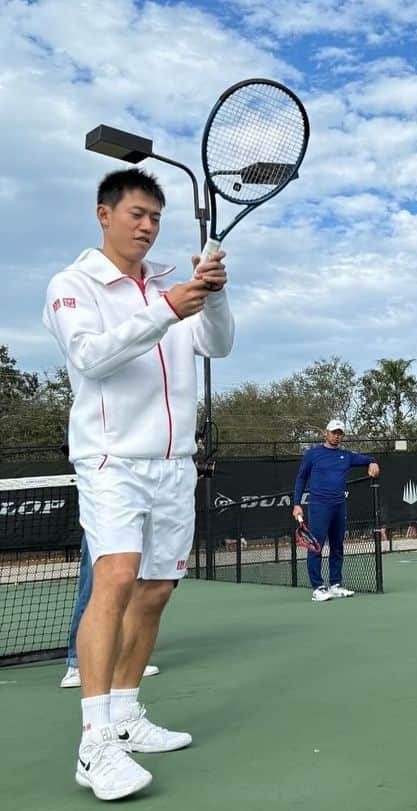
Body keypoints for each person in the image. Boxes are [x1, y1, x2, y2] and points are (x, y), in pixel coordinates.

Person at [43, 167, 234, 801]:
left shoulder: (166, 285)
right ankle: (93, 744)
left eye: (155, 217)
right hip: (110, 460)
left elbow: (219, 345)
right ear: (104, 215)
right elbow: (90, 356)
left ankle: (125, 714)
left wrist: (212, 292)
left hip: (175, 463)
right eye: (136, 215)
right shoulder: (72, 285)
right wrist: (166, 309)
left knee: (154, 591)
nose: (147, 226)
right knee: (116, 577)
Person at [292, 420, 380, 602]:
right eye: (334, 432)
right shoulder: (313, 454)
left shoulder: (346, 456)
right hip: (318, 506)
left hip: (339, 506)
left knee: (337, 546)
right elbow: (301, 478)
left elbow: (367, 459)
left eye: (340, 433)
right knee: (315, 547)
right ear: (326, 433)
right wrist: (296, 503)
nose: (337, 436)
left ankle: (335, 585)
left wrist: (373, 462)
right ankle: (317, 588)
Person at [60, 534, 160, 688]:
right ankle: (77, 665)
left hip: (132, 516)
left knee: (133, 582)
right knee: (92, 586)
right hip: (101, 516)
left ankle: (127, 659)